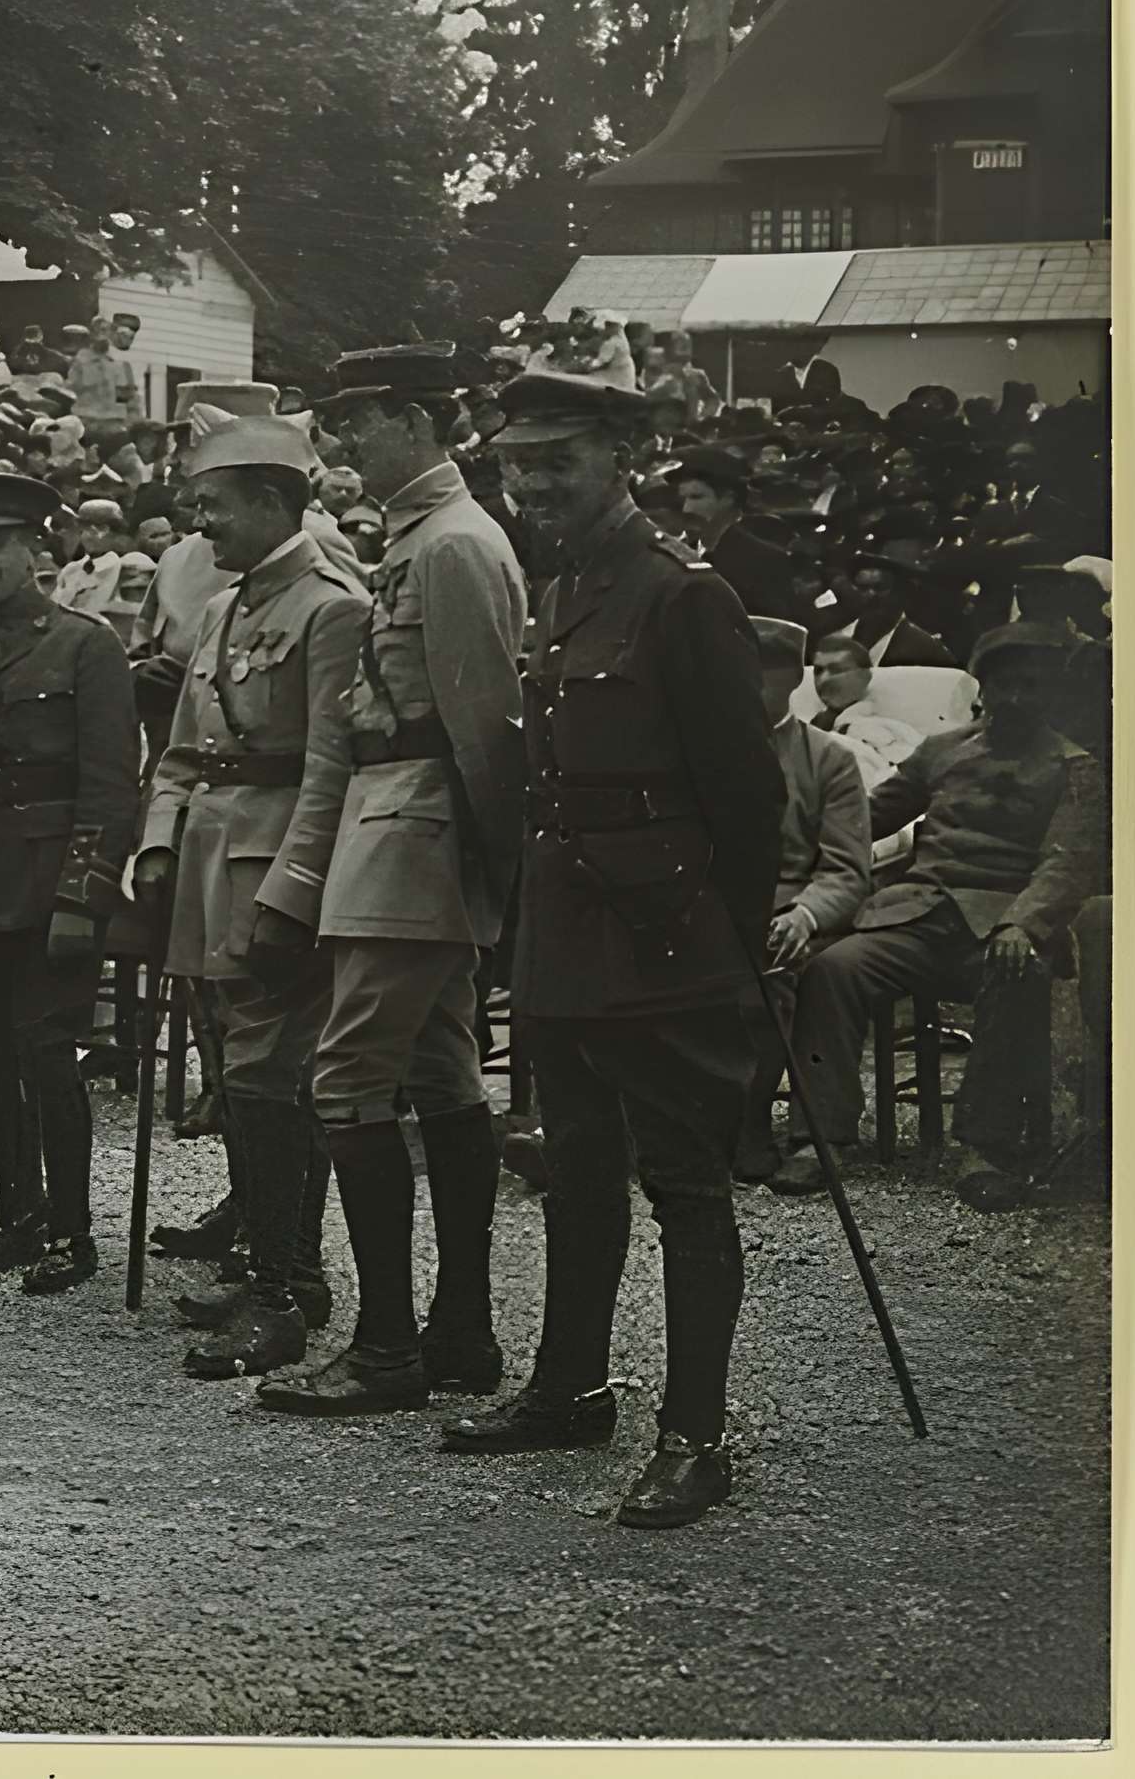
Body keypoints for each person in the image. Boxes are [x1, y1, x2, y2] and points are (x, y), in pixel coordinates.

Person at [443, 369, 778, 1530]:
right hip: (566, 937)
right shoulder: (560, 588)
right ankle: (570, 1387)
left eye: (557, 461)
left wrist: (722, 945)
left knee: (683, 1183)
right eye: (515, 464)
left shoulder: (682, 598)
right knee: (575, 1171)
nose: (529, 484)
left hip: (663, 937)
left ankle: (694, 1435)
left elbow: (745, 795)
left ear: (620, 458)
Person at [257, 346, 527, 1416]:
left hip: (415, 840)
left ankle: (385, 1346)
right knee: (442, 1078)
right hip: (394, 833)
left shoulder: (454, 545)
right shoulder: (421, 536)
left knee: (347, 1083)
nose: (340, 443)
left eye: (359, 421)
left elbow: (483, 728)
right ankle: (455, 1334)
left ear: (417, 421)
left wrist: (494, 871)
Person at [129, 409, 367, 1381]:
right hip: (204, 868)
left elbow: (330, 765)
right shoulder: (226, 608)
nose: (201, 527)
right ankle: (269, 1263)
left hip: (273, 871)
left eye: (215, 507)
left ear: (273, 503)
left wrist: (297, 884)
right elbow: (184, 749)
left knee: (273, 1076)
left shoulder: (329, 606)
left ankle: (284, 1288)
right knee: (239, 1072)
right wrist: (152, 846)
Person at [792, 621, 1107, 1215]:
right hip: (918, 912)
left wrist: (1022, 923)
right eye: (1004, 685)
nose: (1015, 698)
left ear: (1049, 694)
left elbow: (1068, 863)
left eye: (1030, 687)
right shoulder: (942, 750)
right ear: (983, 689)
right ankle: (820, 1135)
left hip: (1002, 925)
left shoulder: (1073, 768)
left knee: (1016, 977)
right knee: (832, 969)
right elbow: (866, 819)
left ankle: (984, 1148)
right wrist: (795, 856)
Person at [0, 471, 139, 1290]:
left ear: (36, 551)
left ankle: (71, 1232)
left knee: (49, 1052)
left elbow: (110, 782)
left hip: (49, 882)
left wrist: (83, 895)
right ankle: (17, 1214)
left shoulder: (87, 645)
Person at [736, 616, 875, 1190]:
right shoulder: (697, 747)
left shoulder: (830, 760)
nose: (742, 690)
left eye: (759, 677)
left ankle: (746, 1127)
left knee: (769, 976)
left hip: (792, 916)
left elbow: (846, 868)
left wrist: (806, 914)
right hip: (707, 912)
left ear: (791, 678)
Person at [668, 450, 800, 625]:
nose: (686, 509)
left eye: (696, 497)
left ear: (728, 499)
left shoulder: (764, 560)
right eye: (683, 499)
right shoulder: (678, 553)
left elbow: (772, 633)